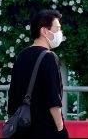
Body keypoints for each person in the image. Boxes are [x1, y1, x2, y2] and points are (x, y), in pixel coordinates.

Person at [6, 9, 67, 138]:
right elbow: (53, 100)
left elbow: (12, 97)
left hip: (22, 128)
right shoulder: (49, 57)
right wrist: (61, 128)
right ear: (44, 31)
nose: (60, 33)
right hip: (45, 129)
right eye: (57, 29)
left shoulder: (22, 55)